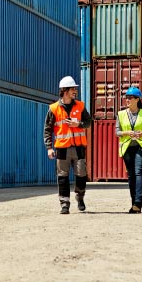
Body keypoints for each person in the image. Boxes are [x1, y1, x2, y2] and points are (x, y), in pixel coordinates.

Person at [44, 76, 92, 214]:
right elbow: (47, 129)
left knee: (82, 175)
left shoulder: (80, 106)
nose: (75, 91)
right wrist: (49, 147)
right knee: (62, 177)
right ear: (65, 91)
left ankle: (80, 197)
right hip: (62, 148)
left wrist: (79, 124)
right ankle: (64, 204)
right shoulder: (54, 109)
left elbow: (88, 122)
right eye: (72, 89)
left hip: (78, 148)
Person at [116, 86, 142, 213]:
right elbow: (117, 132)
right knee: (131, 175)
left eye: (130, 98)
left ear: (137, 99)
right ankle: (134, 203)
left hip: (140, 147)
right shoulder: (120, 114)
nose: (127, 100)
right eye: (126, 97)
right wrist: (127, 132)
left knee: (138, 173)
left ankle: (138, 203)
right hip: (127, 147)